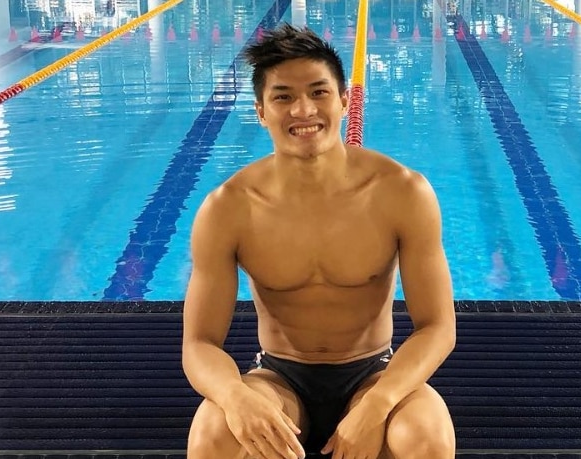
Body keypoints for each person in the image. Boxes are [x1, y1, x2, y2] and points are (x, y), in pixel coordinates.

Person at [181, 23, 456, 459]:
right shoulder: (228, 208)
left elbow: (438, 327)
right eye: (283, 96)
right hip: (279, 375)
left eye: (318, 92)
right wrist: (235, 397)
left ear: (346, 101)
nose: (303, 110)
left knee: (426, 438)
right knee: (212, 435)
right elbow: (198, 344)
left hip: (374, 372)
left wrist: (379, 403)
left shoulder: (402, 193)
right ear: (261, 111)